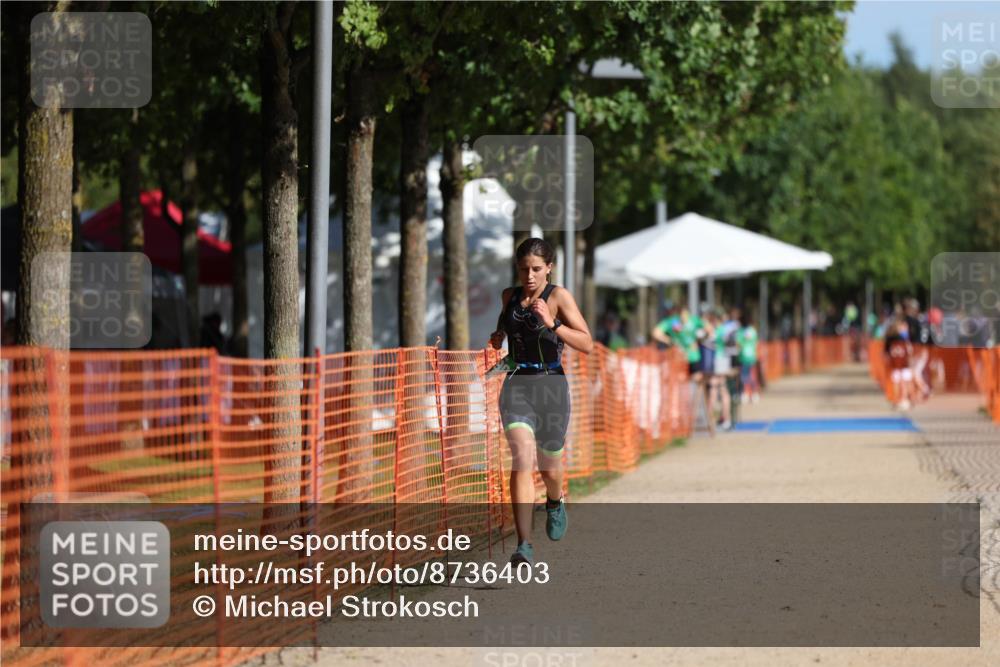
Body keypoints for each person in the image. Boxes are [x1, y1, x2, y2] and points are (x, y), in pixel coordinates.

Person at [489, 238, 593, 567]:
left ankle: (554, 500)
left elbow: (587, 343)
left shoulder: (558, 297)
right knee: (522, 458)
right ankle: (524, 544)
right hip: (517, 385)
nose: (529, 275)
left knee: (550, 467)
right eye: (524, 269)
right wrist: (497, 338)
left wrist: (553, 323)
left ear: (549, 267)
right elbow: (504, 329)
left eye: (536, 269)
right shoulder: (509, 296)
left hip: (551, 387)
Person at [884, 318, 913, 410]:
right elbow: (909, 351)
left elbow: (886, 352)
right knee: (904, 382)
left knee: (898, 383)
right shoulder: (903, 339)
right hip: (903, 363)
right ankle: (904, 399)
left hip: (895, 364)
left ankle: (897, 399)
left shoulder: (889, 339)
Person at [736, 312, 760, 403]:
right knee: (752, 375)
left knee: (744, 376)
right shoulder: (753, 331)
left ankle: (745, 394)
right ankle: (754, 394)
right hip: (752, 356)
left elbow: (738, 344)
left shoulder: (740, 331)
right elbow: (756, 343)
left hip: (743, 356)